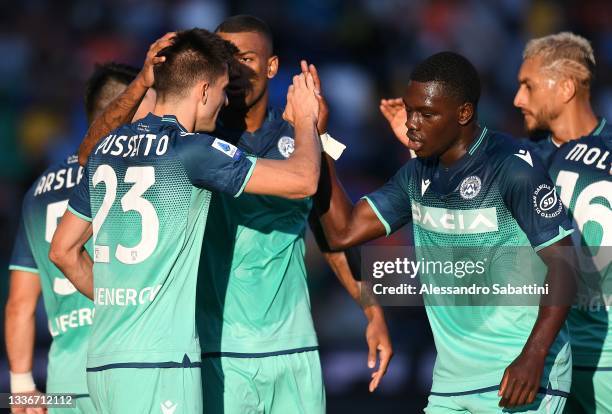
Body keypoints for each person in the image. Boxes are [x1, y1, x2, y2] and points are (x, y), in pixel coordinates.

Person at [76, 15, 393, 414]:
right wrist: (143, 81)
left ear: (273, 67)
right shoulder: (191, 141)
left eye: (247, 58)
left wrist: (371, 308)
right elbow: (92, 155)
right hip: (215, 352)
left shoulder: (298, 143)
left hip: (292, 350)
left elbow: (332, 234)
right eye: (228, 59)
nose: (238, 70)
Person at [49, 28, 322, 414]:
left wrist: (123, 303)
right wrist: (307, 120)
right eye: (224, 89)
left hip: (102, 362)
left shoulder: (105, 150)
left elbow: (62, 250)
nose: (226, 100)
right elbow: (304, 180)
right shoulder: (193, 151)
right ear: (205, 90)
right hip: (159, 363)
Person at [316, 51, 576, 413]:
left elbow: (566, 264)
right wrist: (321, 139)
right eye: (410, 110)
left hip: (519, 373)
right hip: (450, 384)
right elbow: (341, 232)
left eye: (427, 113)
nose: (411, 124)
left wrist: (533, 357)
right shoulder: (416, 174)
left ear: (464, 113)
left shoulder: (511, 168)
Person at [5, 62, 140, 414]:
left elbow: (19, 303)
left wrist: (21, 386)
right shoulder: (135, 174)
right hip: (130, 370)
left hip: (65, 384)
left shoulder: (37, 190)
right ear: (130, 109)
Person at [514, 32, 612, 414]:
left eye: (528, 85)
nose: (518, 99)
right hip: (546, 362)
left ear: (566, 87)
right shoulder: (519, 161)